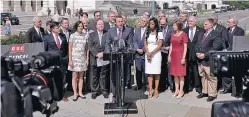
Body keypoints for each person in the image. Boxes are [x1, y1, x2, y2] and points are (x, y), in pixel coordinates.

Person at [105, 15, 134, 102]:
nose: (121, 23)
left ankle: (121, 96)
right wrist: (108, 52)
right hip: (114, 58)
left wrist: (129, 50)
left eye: (122, 21)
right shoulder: (111, 31)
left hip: (124, 58)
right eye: (119, 21)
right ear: (115, 22)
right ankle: (114, 96)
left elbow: (130, 43)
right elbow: (107, 43)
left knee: (123, 78)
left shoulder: (128, 30)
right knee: (114, 78)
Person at [195, 18, 223, 102]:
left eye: (205, 24)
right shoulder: (201, 33)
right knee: (203, 76)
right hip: (200, 60)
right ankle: (205, 92)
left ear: (211, 25)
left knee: (211, 78)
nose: (203, 25)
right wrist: (197, 53)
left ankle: (212, 94)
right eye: (204, 24)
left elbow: (215, 48)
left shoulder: (216, 34)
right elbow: (197, 44)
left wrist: (205, 55)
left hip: (209, 60)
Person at [43, 22, 68, 102]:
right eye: (57, 28)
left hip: (62, 61)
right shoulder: (47, 37)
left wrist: (66, 57)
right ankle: (51, 96)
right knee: (51, 79)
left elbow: (65, 48)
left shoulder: (63, 36)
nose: (59, 29)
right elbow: (45, 50)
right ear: (52, 29)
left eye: (59, 27)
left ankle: (63, 95)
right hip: (52, 61)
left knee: (63, 79)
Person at [221, 16, 245, 98]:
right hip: (226, 55)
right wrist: (224, 49)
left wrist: (227, 50)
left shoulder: (240, 31)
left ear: (234, 23)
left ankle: (238, 92)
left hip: (235, 55)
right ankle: (227, 88)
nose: (227, 23)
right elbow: (223, 40)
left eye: (229, 22)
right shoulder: (226, 30)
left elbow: (237, 42)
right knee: (226, 72)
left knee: (237, 75)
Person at [183, 16, 204, 94]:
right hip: (187, 55)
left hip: (196, 55)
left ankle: (198, 87)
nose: (190, 22)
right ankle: (189, 86)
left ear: (195, 22)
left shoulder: (201, 30)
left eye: (191, 21)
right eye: (189, 21)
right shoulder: (184, 31)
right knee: (188, 71)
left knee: (196, 72)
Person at [68, 21, 89, 101]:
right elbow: (69, 49)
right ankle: (75, 93)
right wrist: (70, 60)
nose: (81, 27)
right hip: (74, 58)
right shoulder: (72, 36)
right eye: (79, 26)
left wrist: (87, 59)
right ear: (76, 27)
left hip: (82, 58)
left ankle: (80, 92)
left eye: (81, 26)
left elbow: (87, 49)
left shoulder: (85, 35)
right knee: (74, 76)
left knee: (81, 76)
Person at [88, 19, 109, 99]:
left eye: (102, 24)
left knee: (103, 75)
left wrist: (103, 53)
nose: (101, 25)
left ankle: (104, 90)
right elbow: (90, 46)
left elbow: (108, 44)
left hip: (104, 58)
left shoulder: (107, 34)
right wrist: (97, 54)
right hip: (94, 58)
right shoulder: (92, 35)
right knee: (94, 76)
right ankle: (94, 91)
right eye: (99, 24)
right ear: (96, 26)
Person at [144, 17, 163, 98]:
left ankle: (156, 89)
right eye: (150, 24)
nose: (150, 25)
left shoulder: (159, 33)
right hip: (148, 54)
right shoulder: (147, 32)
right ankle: (150, 90)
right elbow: (145, 43)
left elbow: (160, 45)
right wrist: (148, 52)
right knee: (150, 72)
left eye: (152, 24)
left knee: (156, 72)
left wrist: (152, 52)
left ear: (155, 24)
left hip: (156, 54)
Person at [168, 19, 188, 99]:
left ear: (179, 26)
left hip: (180, 56)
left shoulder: (184, 34)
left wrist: (183, 57)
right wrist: (169, 55)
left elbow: (185, 47)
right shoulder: (172, 34)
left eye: (174, 25)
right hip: (174, 56)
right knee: (175, 74)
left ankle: (181, 91)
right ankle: (176, 90)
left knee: (181, 74)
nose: (173, 27)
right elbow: (171, 45)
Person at [133, 16, 149, 90]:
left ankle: (146, 85)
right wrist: (137, 49)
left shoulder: (149, 31)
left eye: (144, 21)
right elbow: (134, 41)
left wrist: (143, 49)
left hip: (145, 53)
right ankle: (139, 85)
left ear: (147, 22)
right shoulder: (136, 30)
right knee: (138, 70)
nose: (143, 22)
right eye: (142, 20)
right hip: (137, 54)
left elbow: (148, 42)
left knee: (146, 71)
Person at [159, 17, 174, 92]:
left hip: (169, 51)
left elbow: (173, 40)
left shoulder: (171, 29)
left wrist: (170, 47)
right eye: (161, 24)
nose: (163, 25)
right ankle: (163, 85)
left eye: (164, 24)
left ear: (167, 22)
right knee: (162, 68)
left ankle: (171, 85)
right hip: (161, 51)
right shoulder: (159, 29)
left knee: (169, 68)